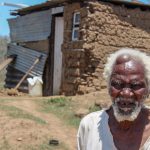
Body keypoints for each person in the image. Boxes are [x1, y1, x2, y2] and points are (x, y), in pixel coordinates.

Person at [77, 48, 150, 150]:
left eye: (136, 85)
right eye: (117, 84)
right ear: (108, 87)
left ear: (148, 90)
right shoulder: (89, 126)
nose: (126, 93)